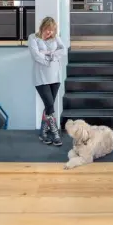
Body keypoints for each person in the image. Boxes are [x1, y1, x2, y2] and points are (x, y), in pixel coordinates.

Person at [28, 17, 67, 145]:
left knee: (49, 106)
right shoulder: (33, 38)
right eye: (47, 29)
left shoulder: (56, 38)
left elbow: (63, 50)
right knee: (49, 104)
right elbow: (36, 55)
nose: (49, 33)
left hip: (55, 76)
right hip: (40, 77)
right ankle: (55, 133)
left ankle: (43, 133)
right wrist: (49, 59)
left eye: (51, 30)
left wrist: (48, 54)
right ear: (42, 27)